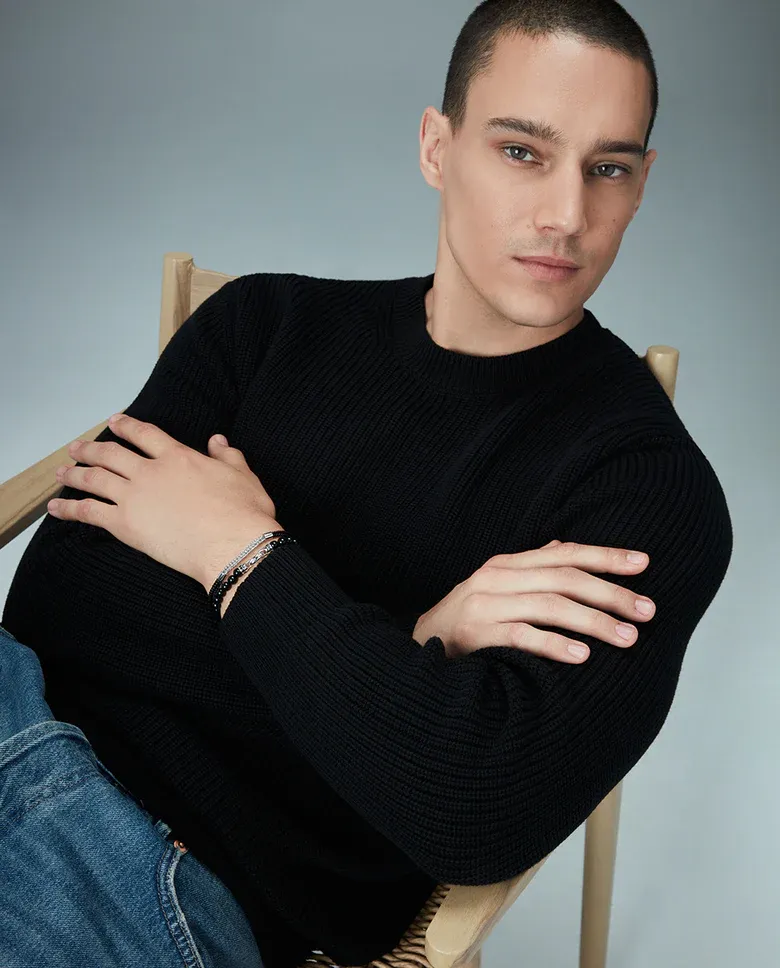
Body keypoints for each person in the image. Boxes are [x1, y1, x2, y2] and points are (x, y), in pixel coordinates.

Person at [0, 2, 733, 967]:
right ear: (438, 146)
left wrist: (232, 547)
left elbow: (472, 811)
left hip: (144, 884)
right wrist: (415, 648)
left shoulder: (646, 489)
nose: (566, 214)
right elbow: (57, 610)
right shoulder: (260, 327)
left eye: (608, 168)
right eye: (522, 151)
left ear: (641, 185)